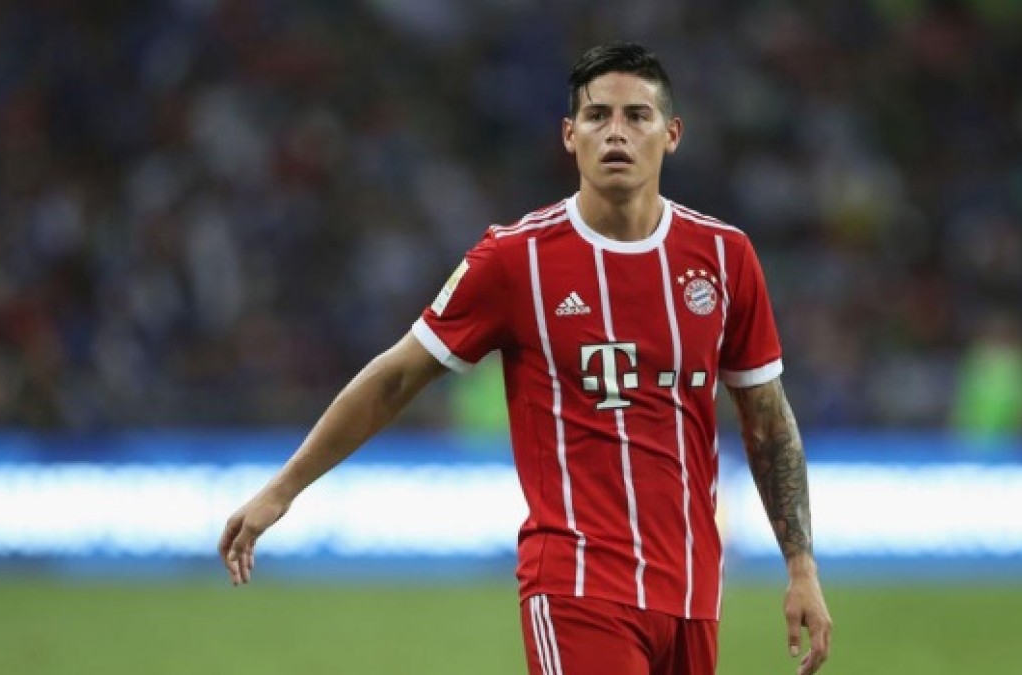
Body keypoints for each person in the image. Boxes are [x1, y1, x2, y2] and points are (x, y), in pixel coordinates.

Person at [218, 42, 832, 675]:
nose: (615, 132)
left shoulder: (725, 258)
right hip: (575, 587)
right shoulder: (515, 259)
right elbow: (397, 376)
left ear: (671, 134)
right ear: (569, 135)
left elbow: (767, 420)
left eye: (636, 116)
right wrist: (283, 489)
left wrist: (801, 568)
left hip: (694, 596)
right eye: (596, 116)